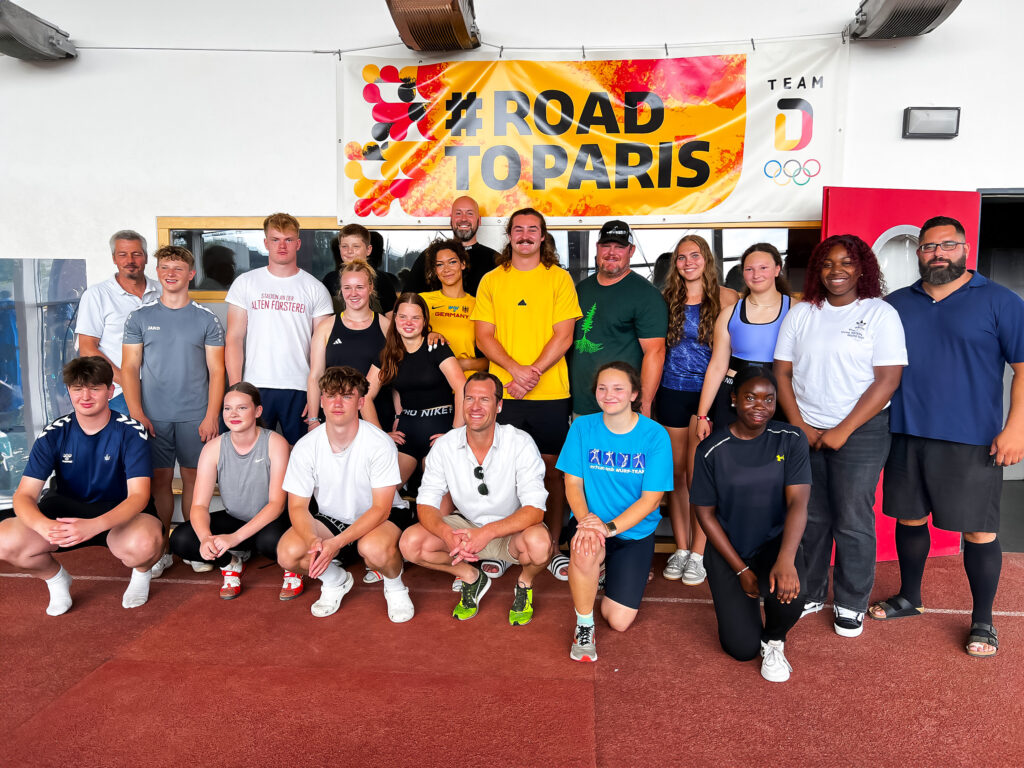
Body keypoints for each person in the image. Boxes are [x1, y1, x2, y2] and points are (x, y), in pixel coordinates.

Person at [868, 215, 1024, 658]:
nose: (937, 253)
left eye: (947, 245)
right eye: (929, 247)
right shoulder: (896, 303)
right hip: (904, 432)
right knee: (909, 519)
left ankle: (983, 621)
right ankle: (909, 597)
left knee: (978, 532)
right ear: (918, 254)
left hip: (972, 439)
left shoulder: (1000, 301)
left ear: (965, 249)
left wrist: (1017, 427)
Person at [774, 234, 906, 638]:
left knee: (851, 517)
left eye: (846, 263)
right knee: (811, 515)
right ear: (818, 270)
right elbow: (782, 372)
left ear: (862, 268)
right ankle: (812, 589)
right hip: (806, 428)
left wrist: (841, 431)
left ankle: (850, 602)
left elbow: (887, 381)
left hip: (861, 432)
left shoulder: (880, 314)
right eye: (828, 264)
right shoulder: (802, 313)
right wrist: (800, 425)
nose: (837, 271)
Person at [0, 356, 163, 614]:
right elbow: (24, 496)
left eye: (95, 388)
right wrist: (44, 525)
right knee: (5, 540)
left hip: (118, 513)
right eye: (77, 388)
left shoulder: (131, 432)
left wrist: (94, 525)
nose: (85, 396)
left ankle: (141, 575)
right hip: (67, 513)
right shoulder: (54, 432)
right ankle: (56, 580)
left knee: (146, 543)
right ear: (69, 391)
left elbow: (138, 497)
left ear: (110, 391)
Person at [472, 207, 582, 581]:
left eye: (532, 230)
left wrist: (531, 373)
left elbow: (564, 335)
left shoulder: (559, 279)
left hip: (551, 393)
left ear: (543, 236)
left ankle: (549, 546)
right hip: (504, 394)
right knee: (503, 474)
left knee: (552, 474)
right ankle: (506, 546)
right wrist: (517, 373)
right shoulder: (491, 280)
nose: (525, 235)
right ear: (509, 236)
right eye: (518, 229)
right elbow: (483, 336)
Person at [400, 372, 551, 623]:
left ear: (499, 405)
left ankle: (524, 584)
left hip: (509, 529)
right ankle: (471, 577)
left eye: (484, 399)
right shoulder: (445, 446)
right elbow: (427, 503)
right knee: (410, 543)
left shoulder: (520, 443)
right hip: (465, 528)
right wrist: (447, 534)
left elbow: (535, 510)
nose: (475, 407)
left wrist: (488, 532)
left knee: (539, 545)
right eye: (469, 398)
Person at [691, 366, 811, 682]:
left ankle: (774, 639)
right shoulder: (710, 450)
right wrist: (742, 571)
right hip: (730, 549)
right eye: (750, 397)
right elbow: (705, 514)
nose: (760, 407)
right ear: (733, 399)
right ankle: (751, 629)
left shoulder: (791, 439)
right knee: (741, 648)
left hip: (774, 542)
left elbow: (799, 502)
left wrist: (786, 560)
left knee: (791, 594)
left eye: (768, 399)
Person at [121, 245, 226, 578]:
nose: (171, 273)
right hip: (153, 417)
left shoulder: (206, 319)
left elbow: (218, 372)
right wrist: (137, 412)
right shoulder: (140, 317)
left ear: (190, 274)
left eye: (178, 268)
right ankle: (161, 550)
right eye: (165, 267)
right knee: (160, 481)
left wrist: (212, 416)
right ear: (158, 272)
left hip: (196, 415)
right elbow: (129, 367)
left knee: (196, 480)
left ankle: (192, 545)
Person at [276, 366, 412, 621]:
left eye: (347, 396)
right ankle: (336, 580)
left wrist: (335, 545)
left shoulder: (379, 443)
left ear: (360, 402)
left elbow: (381, 509)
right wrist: (313, 541)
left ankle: (395, 587)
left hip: (380, 516)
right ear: (322, 400)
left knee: (374, 548)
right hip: (333, 517)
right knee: (288, 552)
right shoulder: (306, 447)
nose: (337, 403)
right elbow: (297, 508)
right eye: (330, 395)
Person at [559, 362, 673, 662]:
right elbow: (572, 483)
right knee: (584, 550)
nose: (609, 395)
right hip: (590, 524)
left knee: (618, 620)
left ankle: (606, 568)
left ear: (634, 393)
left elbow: (650, 501)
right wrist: (586, 523)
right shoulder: (583, 427)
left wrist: (606, 528)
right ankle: (584, 627)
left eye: (618, 388)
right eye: (602, 388)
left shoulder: (655, 435)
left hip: (632, 532)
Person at [656, 234, 738, 586]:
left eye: (695, 255)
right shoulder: (666, 298)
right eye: (681, 257)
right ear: (675, 264)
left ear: (707, 259)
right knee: (675, 477)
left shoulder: (728, 297)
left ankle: (700, 554)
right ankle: (681, 547)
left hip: (708, 396)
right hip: (671, 393)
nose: (688, 262)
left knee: (699, 477)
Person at [168, 383, 298, 600]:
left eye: (242, 408)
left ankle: (292, 569)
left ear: (257, 411)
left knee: (269, 541)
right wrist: (206, 538)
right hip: (236, 520)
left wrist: (234, 538)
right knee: (181, 539)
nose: (233, 414)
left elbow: (277, 504)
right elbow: (199, 505)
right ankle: (231, 564)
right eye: (227, 408)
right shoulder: (213, 448)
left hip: (271, 522)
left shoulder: (275, 443)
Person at [225, 213, 333, 445]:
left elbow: (322, 346)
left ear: (298, 243)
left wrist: (317, 392)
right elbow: (233, 339)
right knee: (255, 453)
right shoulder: (246, 283)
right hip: (255, 385)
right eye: (275, 239)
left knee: (303, 456)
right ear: (265, 243)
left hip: (300, 386)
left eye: (288, 239)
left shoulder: (315, 288)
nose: (282, 246)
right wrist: (237, 389)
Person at [363, 294, 466, 490]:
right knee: (384, 492)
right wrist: (381, 435)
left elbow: (461, 386)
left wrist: (455, 433)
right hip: (407, 430)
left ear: (425, 320)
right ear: (395, 320)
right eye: (403, 317)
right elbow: (365, 396)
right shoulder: (388, 354)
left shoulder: (436, 347)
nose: (408, 323)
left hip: (440, 429)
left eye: (415, 318)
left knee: (436, 495)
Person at [569, 219, 667, 418]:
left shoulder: (646, 294)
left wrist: (644, 403)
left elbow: (655, 352)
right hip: (581, 403)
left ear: (631, 251)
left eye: (619, 247)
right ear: (597, 248)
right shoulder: (581, 289)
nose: (611, 252)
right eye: (606, 245)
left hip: (622, 406)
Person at [75, 230, 162, 415]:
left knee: (164, 444)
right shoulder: (97, 295)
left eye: (136, 254)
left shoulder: (164, 291)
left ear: (146, 257)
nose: (129, 260)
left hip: (164, 391)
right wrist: (129, 382)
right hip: (120, 394)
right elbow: (87, 348)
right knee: (124, 443)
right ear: (114, 258)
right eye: (122, 254)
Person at [306, 260, 393, 431]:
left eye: (359, 287)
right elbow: (315, 376)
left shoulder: (386, 326)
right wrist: (313, 419)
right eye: (347, 287)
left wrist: (398, 415)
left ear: (370, 287)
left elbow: (397, 375)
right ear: (341, 290)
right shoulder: (326, 327)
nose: (353, 293)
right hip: (336, 417)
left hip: (378, 416)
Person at [419, 238, 488, 378]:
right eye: (439, 264)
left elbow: (489, 361)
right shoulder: (422, 301)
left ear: (463, 264)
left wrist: (462, 364)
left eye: (452, 262)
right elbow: (402, 343)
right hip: (432, 384)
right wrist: (426, 336)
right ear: (435, 270)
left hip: (466, 385)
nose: (446, 269)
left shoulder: (478, 304)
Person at [403, 196, 498, 295]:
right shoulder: (429, 256)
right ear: (451, 220)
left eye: (470, 213)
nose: (464, 218)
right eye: (458, 213)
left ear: (480, 220)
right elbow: (407, 300)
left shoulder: (495, 260)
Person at [322, 224, 398, 317]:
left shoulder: (382, 280)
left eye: (356, 246)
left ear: (368, 250)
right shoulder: (329, 280)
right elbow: (324, 317)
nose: (350, 251)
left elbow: (391, 319)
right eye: (344, 246)